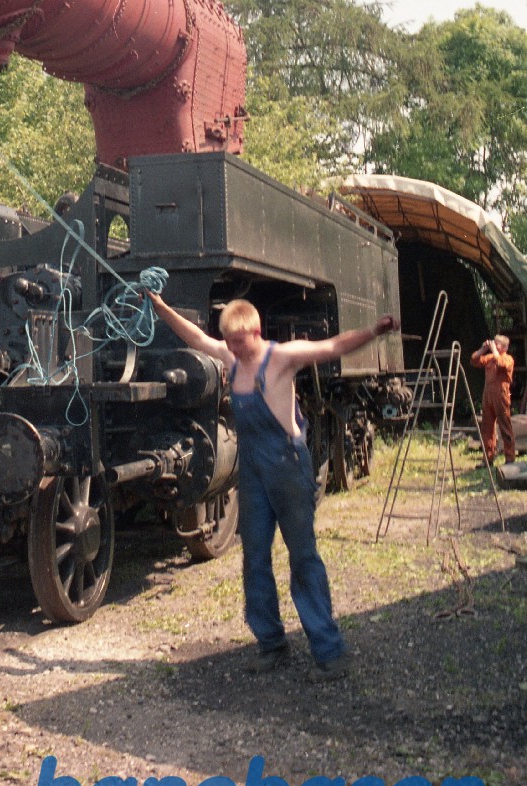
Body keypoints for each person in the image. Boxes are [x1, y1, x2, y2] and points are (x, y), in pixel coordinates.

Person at [146, 291, 398, 680]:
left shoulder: (281, 358)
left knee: (303, 558)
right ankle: (271, 643)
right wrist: (163, 309)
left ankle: (330, 653)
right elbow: (196, 338)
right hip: (254, 472)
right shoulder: (232, 355)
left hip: (287, 466)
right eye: (228, 343)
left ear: (255, 331)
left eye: (238, 342)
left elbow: (332, 346)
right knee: (255, 559)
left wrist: (374, 331)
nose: (231, 350)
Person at [470, 334, 516, 467]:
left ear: (505, 347)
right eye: (494, 343)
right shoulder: (490, 357)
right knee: (487, 428)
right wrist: (483, 349)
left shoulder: (508, 359)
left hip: (501, 395)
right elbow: (474, 360)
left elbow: (501, 364)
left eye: (498, 344)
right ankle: (488, 457)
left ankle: (510, 457)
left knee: (505, 426)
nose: (494, 346)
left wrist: (494, 351)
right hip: (488, 395)